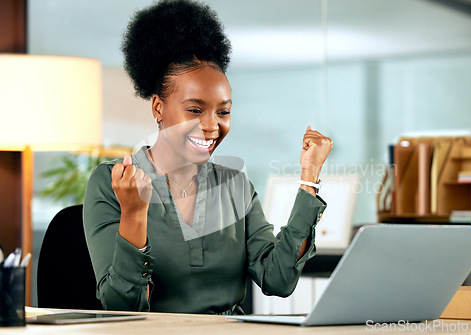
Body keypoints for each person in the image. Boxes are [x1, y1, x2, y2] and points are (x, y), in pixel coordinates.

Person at [83, 0, 333, 315]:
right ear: (158, 108)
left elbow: (278, 279)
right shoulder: (111, 183)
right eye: (195, 110)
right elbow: (123, 306)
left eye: (223, 111)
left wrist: (309, 177)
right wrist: (134, 213)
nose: (212, 126)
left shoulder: (235, 185)